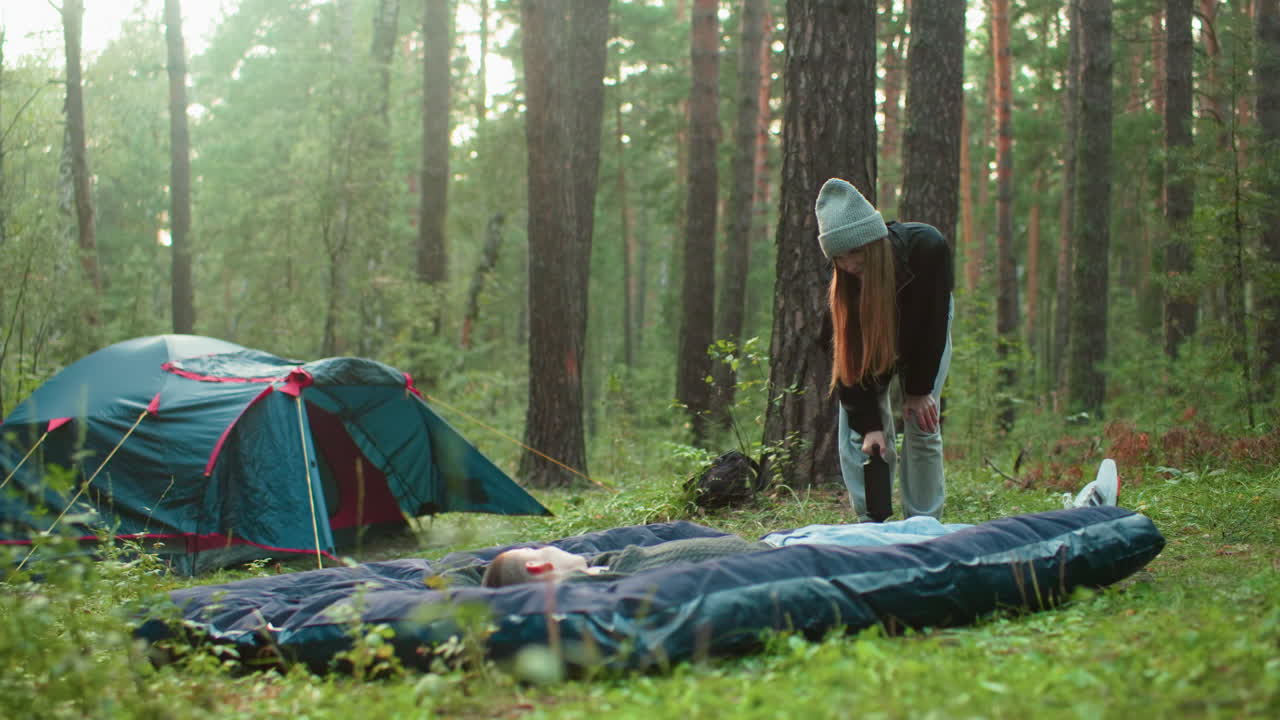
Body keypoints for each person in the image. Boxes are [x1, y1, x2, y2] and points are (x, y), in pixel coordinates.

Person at [479, 460, 1122, 588]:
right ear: (538, 567)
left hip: (782, 543)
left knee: (919, 524)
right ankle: (1077, 516)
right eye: (542, 549)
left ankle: (1068, 511)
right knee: (928, 538)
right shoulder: (598, 586)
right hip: (797, 557)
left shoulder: (603, 570)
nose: (552, 547)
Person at [814, 178, 954, 522]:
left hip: (924, 335)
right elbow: (847, 364)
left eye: (855, 252)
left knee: (922, 420)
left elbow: (932, 328)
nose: (848, 264)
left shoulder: (926, 248)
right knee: (856, 428)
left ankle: (923, 521)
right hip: (875, 344)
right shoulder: (844, 288)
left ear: (874, 241)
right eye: (839, 257)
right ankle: (870, 520)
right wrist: (871, 425)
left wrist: (919, 391)